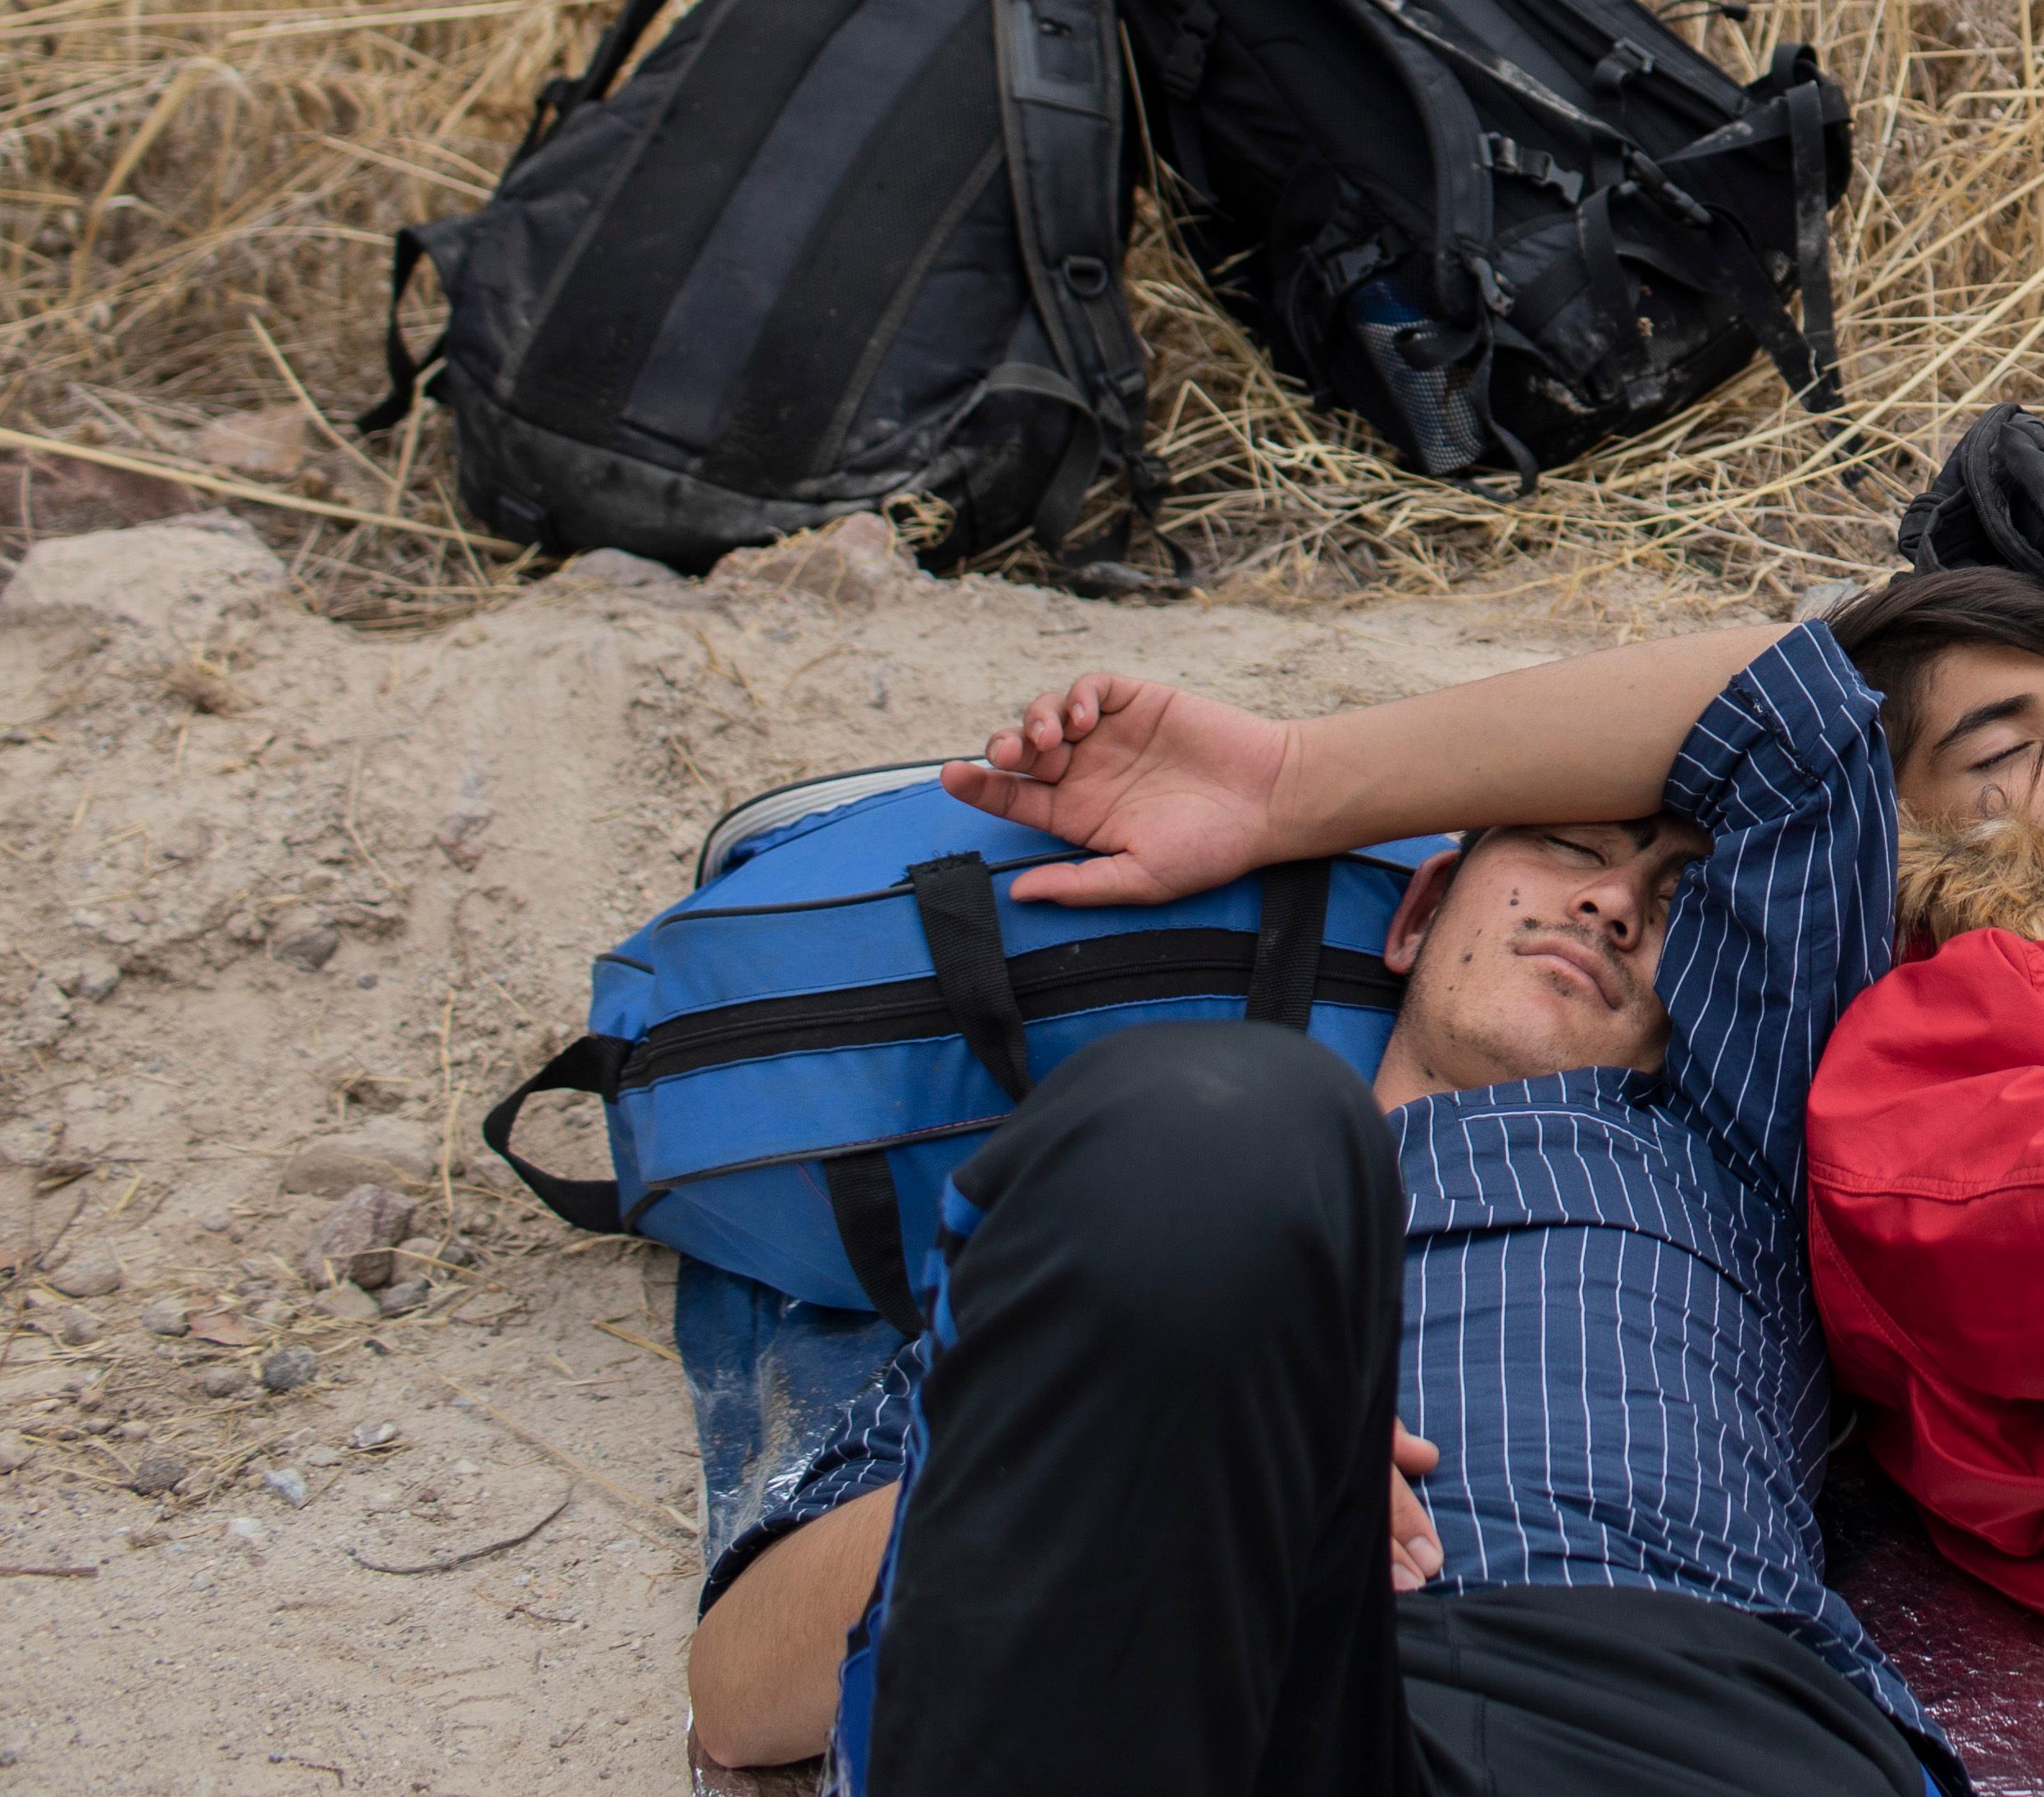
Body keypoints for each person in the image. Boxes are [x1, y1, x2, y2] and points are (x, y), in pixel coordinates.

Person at [672, 617, 1942, 1797]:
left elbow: (1798, 711)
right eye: (1567, 845)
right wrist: (1135, 1448)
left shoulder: (1734, 1141)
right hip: (1195, 1697)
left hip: (1660, 1708)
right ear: (1421, 910)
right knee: (1211, 1122)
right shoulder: (1133, 1242)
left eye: (1676, 903)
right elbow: (742, 1694)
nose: (1613, 901)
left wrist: (1284, 780)